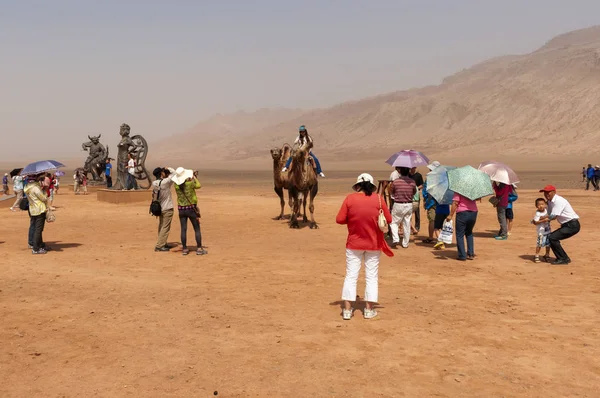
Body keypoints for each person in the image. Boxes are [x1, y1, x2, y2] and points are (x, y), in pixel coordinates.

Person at [336, 173, 393, 320]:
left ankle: (347, 310)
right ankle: (368, 310)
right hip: (373, 244)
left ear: (358, 186)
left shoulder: (350, 198)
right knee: (371, 276)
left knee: (351, 275)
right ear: (372, 186)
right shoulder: (379, 199)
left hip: (354, 243)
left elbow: (340, 219)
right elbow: (389, 219)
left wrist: (353, 219)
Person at [538, 185, 580, 265]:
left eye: (548, 192)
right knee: (552, 238)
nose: (546, 194)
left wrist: (540, 220)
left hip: (572, 225)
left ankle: (563, 258)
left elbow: (553, 216)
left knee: (552, 237)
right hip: (566, 225)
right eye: (545, 192)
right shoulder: (550, 201)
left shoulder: (558, 201)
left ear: (554, 192)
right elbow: (549, 213)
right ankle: (563, 258)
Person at [173, 167, 206, 256]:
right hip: (191, 209)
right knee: (196, 229)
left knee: (183, 229)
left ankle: (184, 248)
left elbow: (180, 182)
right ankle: (199, 248)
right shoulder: (190, 184)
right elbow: (198, 185)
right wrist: (194, 178)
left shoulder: (176, 186)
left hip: (181, 210)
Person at [388, 167, 416, 248]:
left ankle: (396, 238)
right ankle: (405, 243)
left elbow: (391, 191)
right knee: (407, 223)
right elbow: (414, 192)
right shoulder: (412, 182)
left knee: (394, 222)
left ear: (400, 172)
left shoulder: (396, 182)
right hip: (408, 204)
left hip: (398, 204)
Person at [446, 192, 478, 261]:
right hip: (473, 212)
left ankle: (462, 255)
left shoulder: (459, 189)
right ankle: (470, 253)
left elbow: (455, 202)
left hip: (462, 213)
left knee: (459, 234)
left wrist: (451, 215)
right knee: (469, 233)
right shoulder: (473, 188)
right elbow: (478, 198)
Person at [152, 167, 176, 252]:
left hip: (160, 208)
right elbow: (174, 173)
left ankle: (163, 242)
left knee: (161, 226)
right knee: (165, 227)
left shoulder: (154, 183)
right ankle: (159, 246)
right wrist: (167, 168)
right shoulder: (165, 182)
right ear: (161, 173)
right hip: (167, 207)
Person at [24, 174, 49, 254]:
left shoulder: (27, 187)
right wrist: (45, 190)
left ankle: (40, 245)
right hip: (39, 209)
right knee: (38, 230)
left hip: (33, 209)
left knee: (35, 228)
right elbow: (43, 198)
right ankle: (36, 248)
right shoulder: (35, 188)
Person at [531, 198, 551, 263]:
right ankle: (537, 255)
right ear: (536, 206)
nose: (541, 206)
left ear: (545, 205)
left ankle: (547, 255)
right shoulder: (537, 213)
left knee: (548, 244)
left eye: (542, 204)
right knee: (539, 244)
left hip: (548, 231)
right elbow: (536, 222)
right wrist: (543, 220)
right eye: (539, 205)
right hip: (541, 232)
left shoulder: (546, 210)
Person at [409, 167, 424, 234]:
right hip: (409, 196)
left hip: (416, 196)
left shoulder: (418, 175)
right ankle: (410, 227)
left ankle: (417, 226)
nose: (412, 168)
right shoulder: (407, 175)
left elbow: (422, 185)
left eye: (413, 167)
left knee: (417, 212)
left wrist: (416, 188)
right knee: (409, 213)